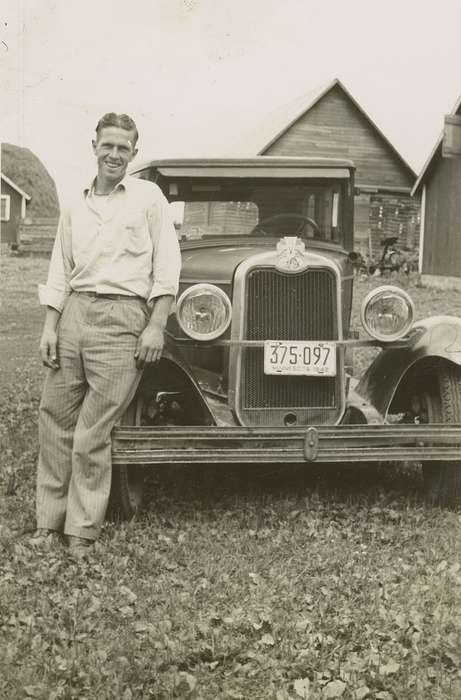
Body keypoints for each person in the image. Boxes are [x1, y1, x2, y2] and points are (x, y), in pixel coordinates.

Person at [33, 113, 181, 554]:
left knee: (92, 430)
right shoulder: (75, 204)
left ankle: (80, 530)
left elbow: (167, 267)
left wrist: (156, 325)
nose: (115, 154)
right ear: (94, 145)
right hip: (76, 311)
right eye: (108, 145)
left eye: (124, 148)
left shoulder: (148, 197)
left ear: (134, 153)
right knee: (53, 416)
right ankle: (47, 523)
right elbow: (60, 267)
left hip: (123, 318)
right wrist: (50, 325)